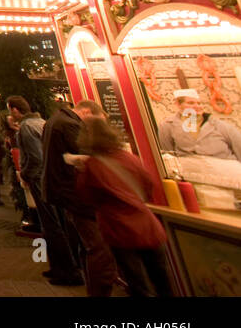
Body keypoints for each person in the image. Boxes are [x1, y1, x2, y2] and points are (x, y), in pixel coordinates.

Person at [75, 116, 174, 297]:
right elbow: (148, 185)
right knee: (162, 280)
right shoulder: (130, 158)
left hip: (119, 229)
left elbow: (86, 197)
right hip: (148, 225)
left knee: (138, 284)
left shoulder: (93, 166)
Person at [42, 99, 115, 294]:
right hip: (74, 193)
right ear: (87, 112)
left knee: (85, 244)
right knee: (98, 248)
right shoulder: (70, 124)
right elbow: (83, 153)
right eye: (96, 120)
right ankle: (98, 290)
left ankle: (88, 279)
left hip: (63, 191)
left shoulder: (56, 120)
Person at [157, 88, 241, 161]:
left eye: (199, 103)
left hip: (228, 169)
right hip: (192, 173)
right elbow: (168, 155)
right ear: (178, 104)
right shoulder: (167, 126)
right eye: (191, 103)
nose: (197, 106)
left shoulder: (220, 125)